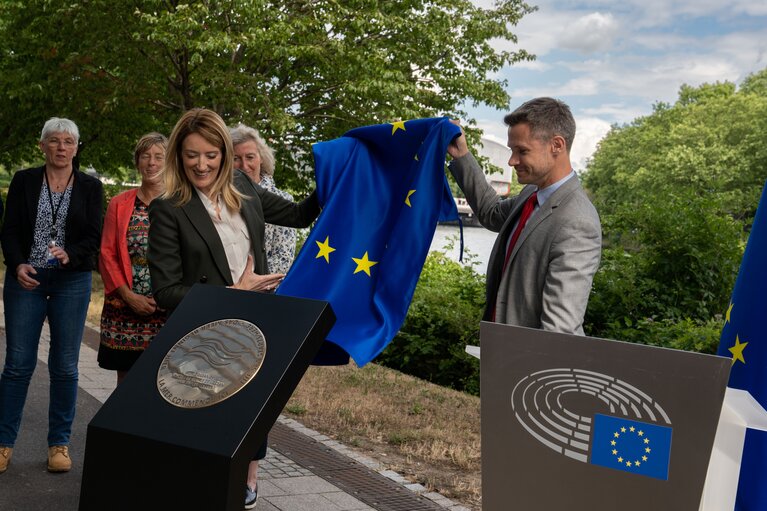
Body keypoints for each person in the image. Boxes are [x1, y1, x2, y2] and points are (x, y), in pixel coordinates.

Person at [147, 108, 320, 509]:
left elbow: (297, 215)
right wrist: (231, 291)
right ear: (179, 156)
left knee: (247, 421)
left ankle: (241, 489)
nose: (202, 164)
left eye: (211, 154)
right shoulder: (168, 207)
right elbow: (165, 291)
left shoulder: (243, 184)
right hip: (202, 340)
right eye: (192, 155)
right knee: (202, 435)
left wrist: (342, 171)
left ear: (225, 154)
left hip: (255, 328)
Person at [0, 117, 104, 474]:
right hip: (26, 279)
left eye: (68, 142)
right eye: (55, 141)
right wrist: (16, 265)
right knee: (17, 365)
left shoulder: (90, 187)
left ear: (76, 148)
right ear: (42, 146)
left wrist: (70, 254)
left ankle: (59, 444)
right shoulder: (25, 180)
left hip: (71, 282)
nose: (62, 147)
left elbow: (94, 235)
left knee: (65, 366)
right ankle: (3, 444)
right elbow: (10, 229)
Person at [447, 97, 602, 334]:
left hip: (529, 364)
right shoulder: (531, 194)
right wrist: (462, 155)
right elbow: (491, 213)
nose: (512, 161)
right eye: (511, 150)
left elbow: (559, 329)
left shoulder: (577, 222)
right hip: (503, 351)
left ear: (557, 145)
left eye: (522, 151)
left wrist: (524, 367)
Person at [97, 133, 169, 386]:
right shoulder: (119, 204)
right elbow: (106, 254)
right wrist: (129, 296)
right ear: (137, 162)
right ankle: (118, 426)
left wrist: (168, 296)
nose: (152, 163)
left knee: (165, 381)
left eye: (159, 157)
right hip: (125, 309)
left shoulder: (183, 203)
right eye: (145, 156)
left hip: (168, 310)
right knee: (126, 382)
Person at [230, 123, 298, 274]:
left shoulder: (282, 199)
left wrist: (252, 285)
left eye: (250, 157)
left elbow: (283, 258)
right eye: (236, 158)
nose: (244, 165)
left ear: (261, 158)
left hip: (264, 290)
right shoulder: (219, 198)